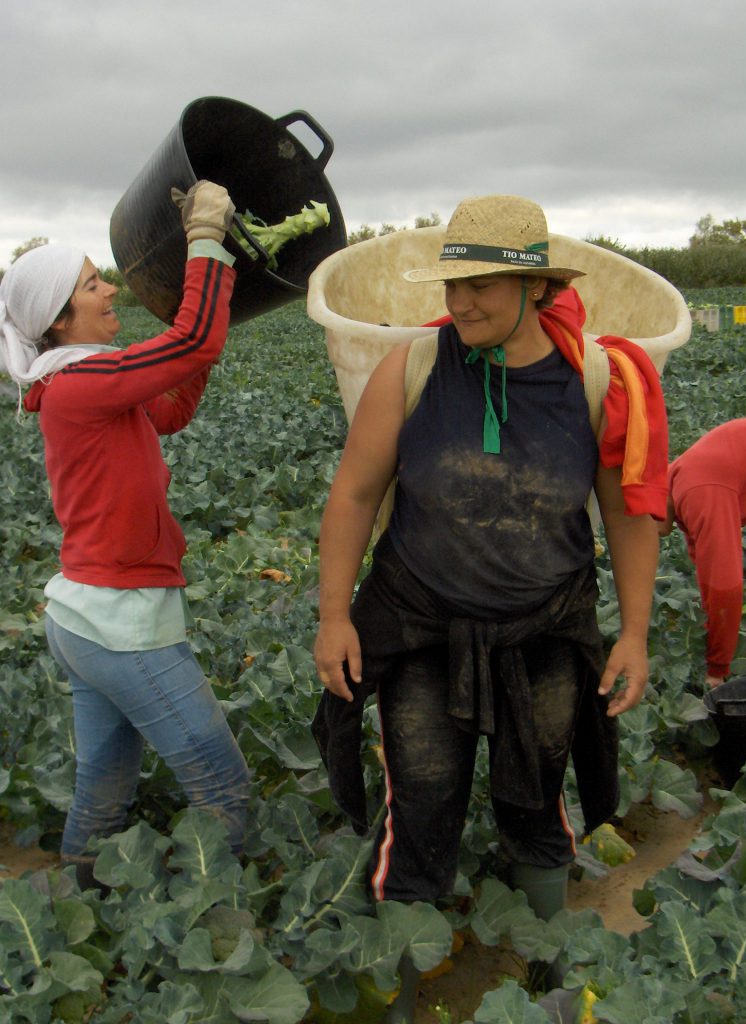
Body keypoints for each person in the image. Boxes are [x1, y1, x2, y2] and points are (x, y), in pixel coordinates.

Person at [311, 194, 668, 1019]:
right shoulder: (414, 367)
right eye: (453, 286)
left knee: (535, 794)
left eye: (484, 286)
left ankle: (549, 975)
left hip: (546, 624)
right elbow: (356, 495)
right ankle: (408, 985)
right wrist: (334, 615)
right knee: (424, 796)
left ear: (536, 288)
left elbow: (629, 512)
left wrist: (637, 633)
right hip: (422, 623)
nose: (462, 303)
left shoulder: (594, 379)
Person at [0, 180, 251, 889]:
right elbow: (191, 338)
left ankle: (75, 903)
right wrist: (205, 238)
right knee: (223, 789)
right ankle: (215, 927)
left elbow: (168, 408)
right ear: (57, 318)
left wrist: (204, 333)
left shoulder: (83, 384)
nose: (110, 288)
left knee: (104, 791)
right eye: (90, 285)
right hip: (119, 624)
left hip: (87, 618)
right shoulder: (84, 383)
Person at [659, 415, 746, 688]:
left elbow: (724, 587)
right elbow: (705, 567)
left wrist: (717, 669)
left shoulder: (699, 490)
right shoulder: (680, 479)